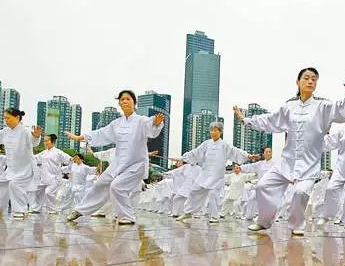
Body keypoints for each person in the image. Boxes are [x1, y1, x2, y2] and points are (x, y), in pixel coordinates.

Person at [233, 69, 345, 236]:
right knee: (262, 186)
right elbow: (270, 120)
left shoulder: (323, 107)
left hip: (309, 165)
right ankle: (264, 221)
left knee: (300, 192)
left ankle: (297, 225)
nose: (310, 81)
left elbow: (342, 110)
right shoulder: (289, 107)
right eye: (306, 78)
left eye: (314, 79)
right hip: (286, 163)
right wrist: (246, 120)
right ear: (298, 82)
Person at [65, 90, 165, 224]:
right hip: (118, 164)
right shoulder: (116, 123)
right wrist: (79, 137)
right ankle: (80, 210)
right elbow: (101, 134)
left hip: (136, 164)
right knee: (100, 183)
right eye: (122, 99)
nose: (124, 101)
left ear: (134, 103)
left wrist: (156, 123)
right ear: (119, 103)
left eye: (128, 99)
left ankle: (128, 216)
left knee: (116, 187)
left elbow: (151, 127)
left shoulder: (141, 121)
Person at [175, 122, 257, 223]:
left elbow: (235, 151)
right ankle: (188, 212)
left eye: (215, 130)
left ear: (220, 132)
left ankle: (214, 216)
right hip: (205, 174)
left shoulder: (224, 145)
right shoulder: (206, 143)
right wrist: (182, 158)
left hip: (217, 176)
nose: (213, 132)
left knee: (214, 195)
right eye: (211, 130)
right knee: (194, 191)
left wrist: (248, 156)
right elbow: (195, 152)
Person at [0, 108, 42, 218]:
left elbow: (33, 142)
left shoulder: (25, 131)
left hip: (24, 168)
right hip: (11, 168)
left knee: (14, 185)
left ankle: (21, 210)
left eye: (8, 118)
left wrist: (36, 136)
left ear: (17, 118)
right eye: (5, 118)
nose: (6, 120)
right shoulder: (5, 131)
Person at [32, 134, 72, 214]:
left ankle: (53, 209)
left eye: (47, 141)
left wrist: (67, 170)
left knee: (48, 192)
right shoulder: (44, 152)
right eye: (44, 141)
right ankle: (37, 209)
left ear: (52, 142)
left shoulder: (58, 152)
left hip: (54, 178)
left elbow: (69, 160)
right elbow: (35, 158)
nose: (45, 142)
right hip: (44, 178)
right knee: (37, 191)